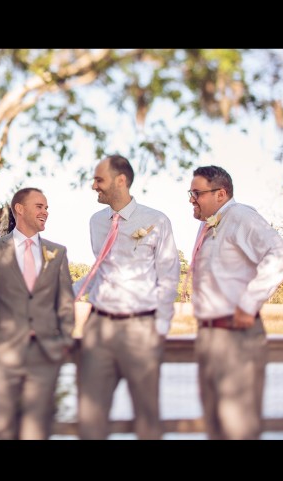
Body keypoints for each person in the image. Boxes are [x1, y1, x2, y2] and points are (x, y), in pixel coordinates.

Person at [74, 154, 180, 440]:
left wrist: (159, 328)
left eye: (99, 179)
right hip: (98, 328)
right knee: (90, 417)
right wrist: (60, 292)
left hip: (140, 329)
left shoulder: (156, 220)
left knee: (147, 418)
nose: (94, 186)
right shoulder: (96, 221)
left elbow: (168, 276)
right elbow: (99, 269)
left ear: (121, 180)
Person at [187, 165, 283, 440]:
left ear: (220, 194)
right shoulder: (207, 226)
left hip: (237, 337)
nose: (191, 199)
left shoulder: (241, 217)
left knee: (239, 430)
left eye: (196, 192)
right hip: (209, 336)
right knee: (215, 427)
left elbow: (280, 254)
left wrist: (249, 303)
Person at [0, 187, 75, 440]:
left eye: (46, 207)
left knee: (37, 430)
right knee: (1, 428)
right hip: (3, 354)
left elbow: (65, 301)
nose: (45, 212)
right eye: (39, 206)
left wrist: (64, 339)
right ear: (19, 209)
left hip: (45, 353)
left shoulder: (58, 252)